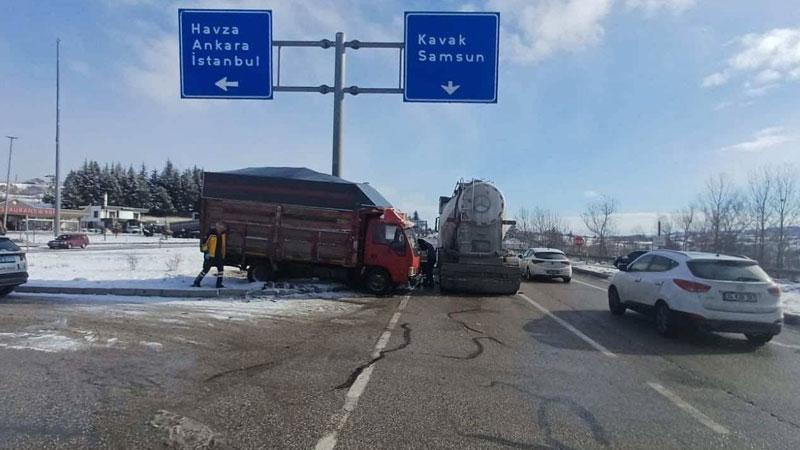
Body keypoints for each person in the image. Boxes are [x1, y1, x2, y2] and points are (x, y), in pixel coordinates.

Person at [193, 222, 227, 288]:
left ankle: (219, 284)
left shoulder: (222, 235)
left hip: (218, 254)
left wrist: (222, 254)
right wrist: (206, 252)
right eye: (221, 227)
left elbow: (222, 246)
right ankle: (197, 281)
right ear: (217, 226)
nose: (222, 228)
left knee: (220, 270)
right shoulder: (211, 234)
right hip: (211, 254)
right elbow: (204, 243)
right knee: (206, 269)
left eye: (223, 227)